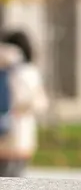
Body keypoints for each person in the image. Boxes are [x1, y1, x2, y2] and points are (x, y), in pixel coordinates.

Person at [0, 29, 49, 177]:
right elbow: (41, 103)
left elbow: (35, 102)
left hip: (13, 136)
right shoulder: (29, 71)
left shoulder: (18, 72)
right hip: (21, 137)